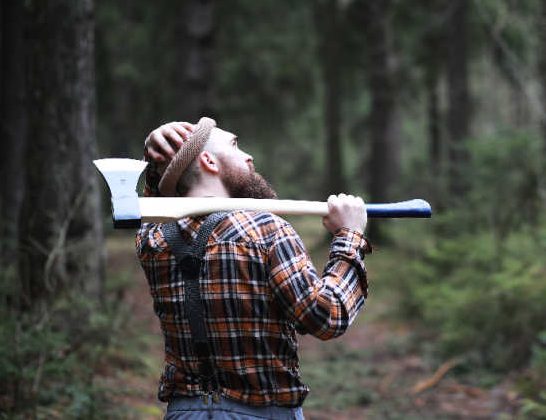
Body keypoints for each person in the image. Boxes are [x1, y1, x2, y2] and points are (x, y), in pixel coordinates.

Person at [137, 117, 371, 420]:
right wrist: (349, 235)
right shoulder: (267, 229)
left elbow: (158, 198)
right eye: (235, 145)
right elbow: (326, 316)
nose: (248, 156)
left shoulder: (153, 238)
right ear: (209, 161)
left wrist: (153, 149)